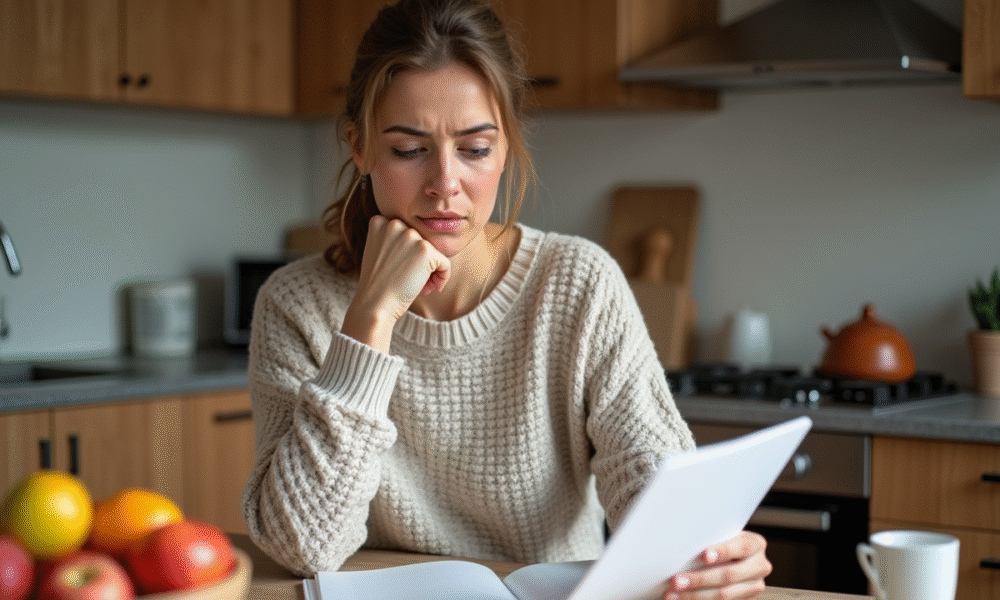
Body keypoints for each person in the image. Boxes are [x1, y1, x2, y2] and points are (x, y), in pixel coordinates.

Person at [241, 0, 772, 598]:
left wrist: (700, 552)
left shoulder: (579, 283)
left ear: (508, 149)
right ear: (359, 147)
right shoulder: (296, 304)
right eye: (408, 149)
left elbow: (647, 474)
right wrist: (370, 319)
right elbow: (304, 546)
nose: (446, 183)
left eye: (474, 148)